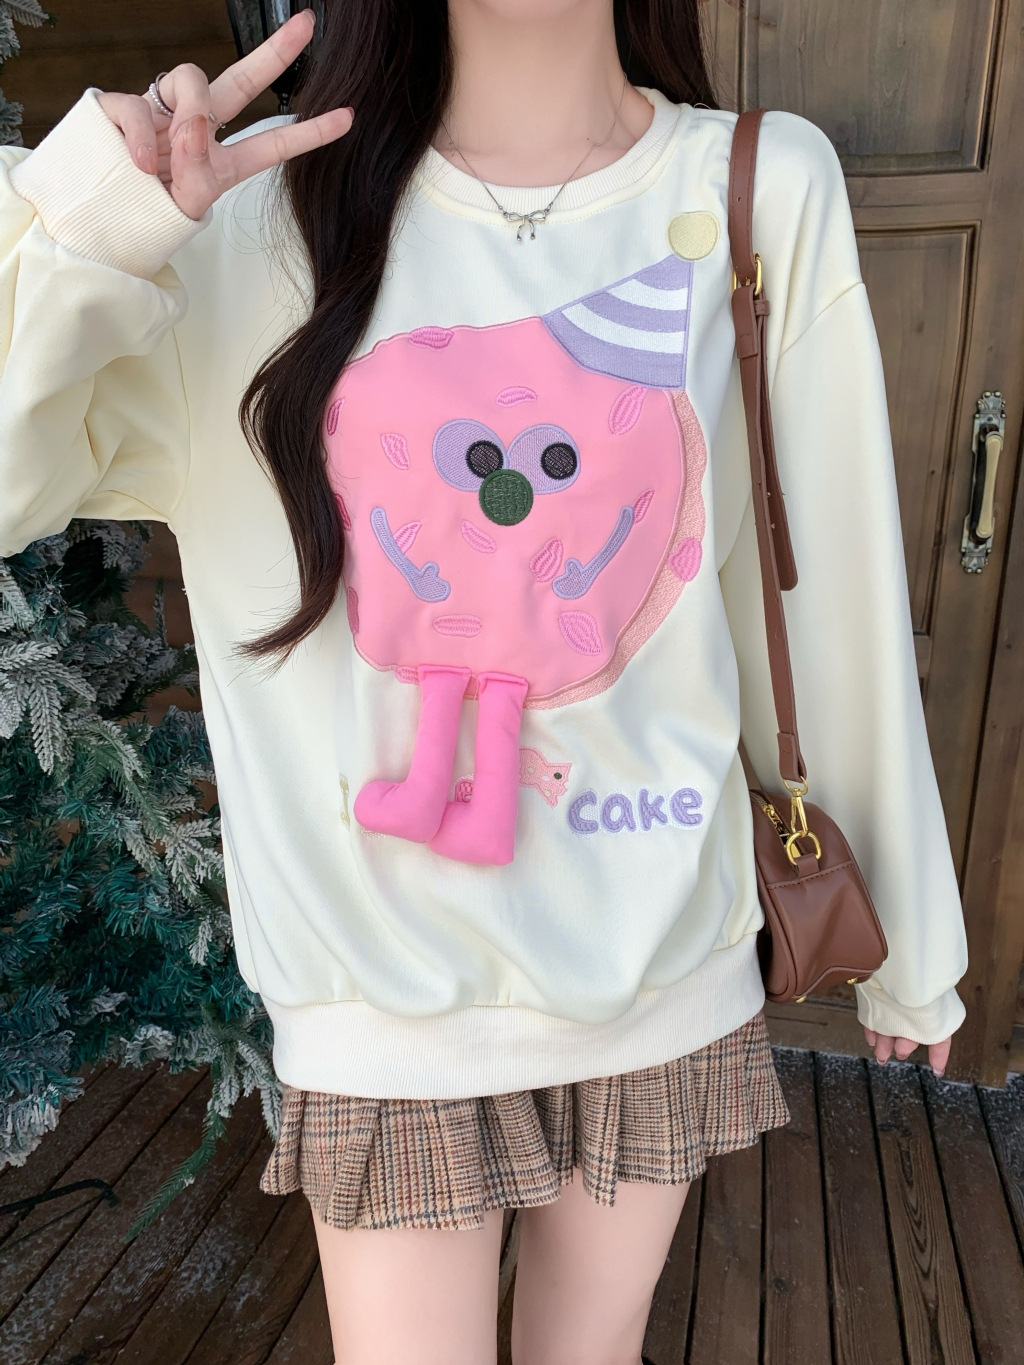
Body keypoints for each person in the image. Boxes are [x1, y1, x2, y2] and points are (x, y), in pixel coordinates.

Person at [0, 2, 969, 1362]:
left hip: (661, 964)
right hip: (381, 1001)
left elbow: (819, 591)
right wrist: (95, 210)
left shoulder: (756, 184)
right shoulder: (241, 221)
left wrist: (909, 943)